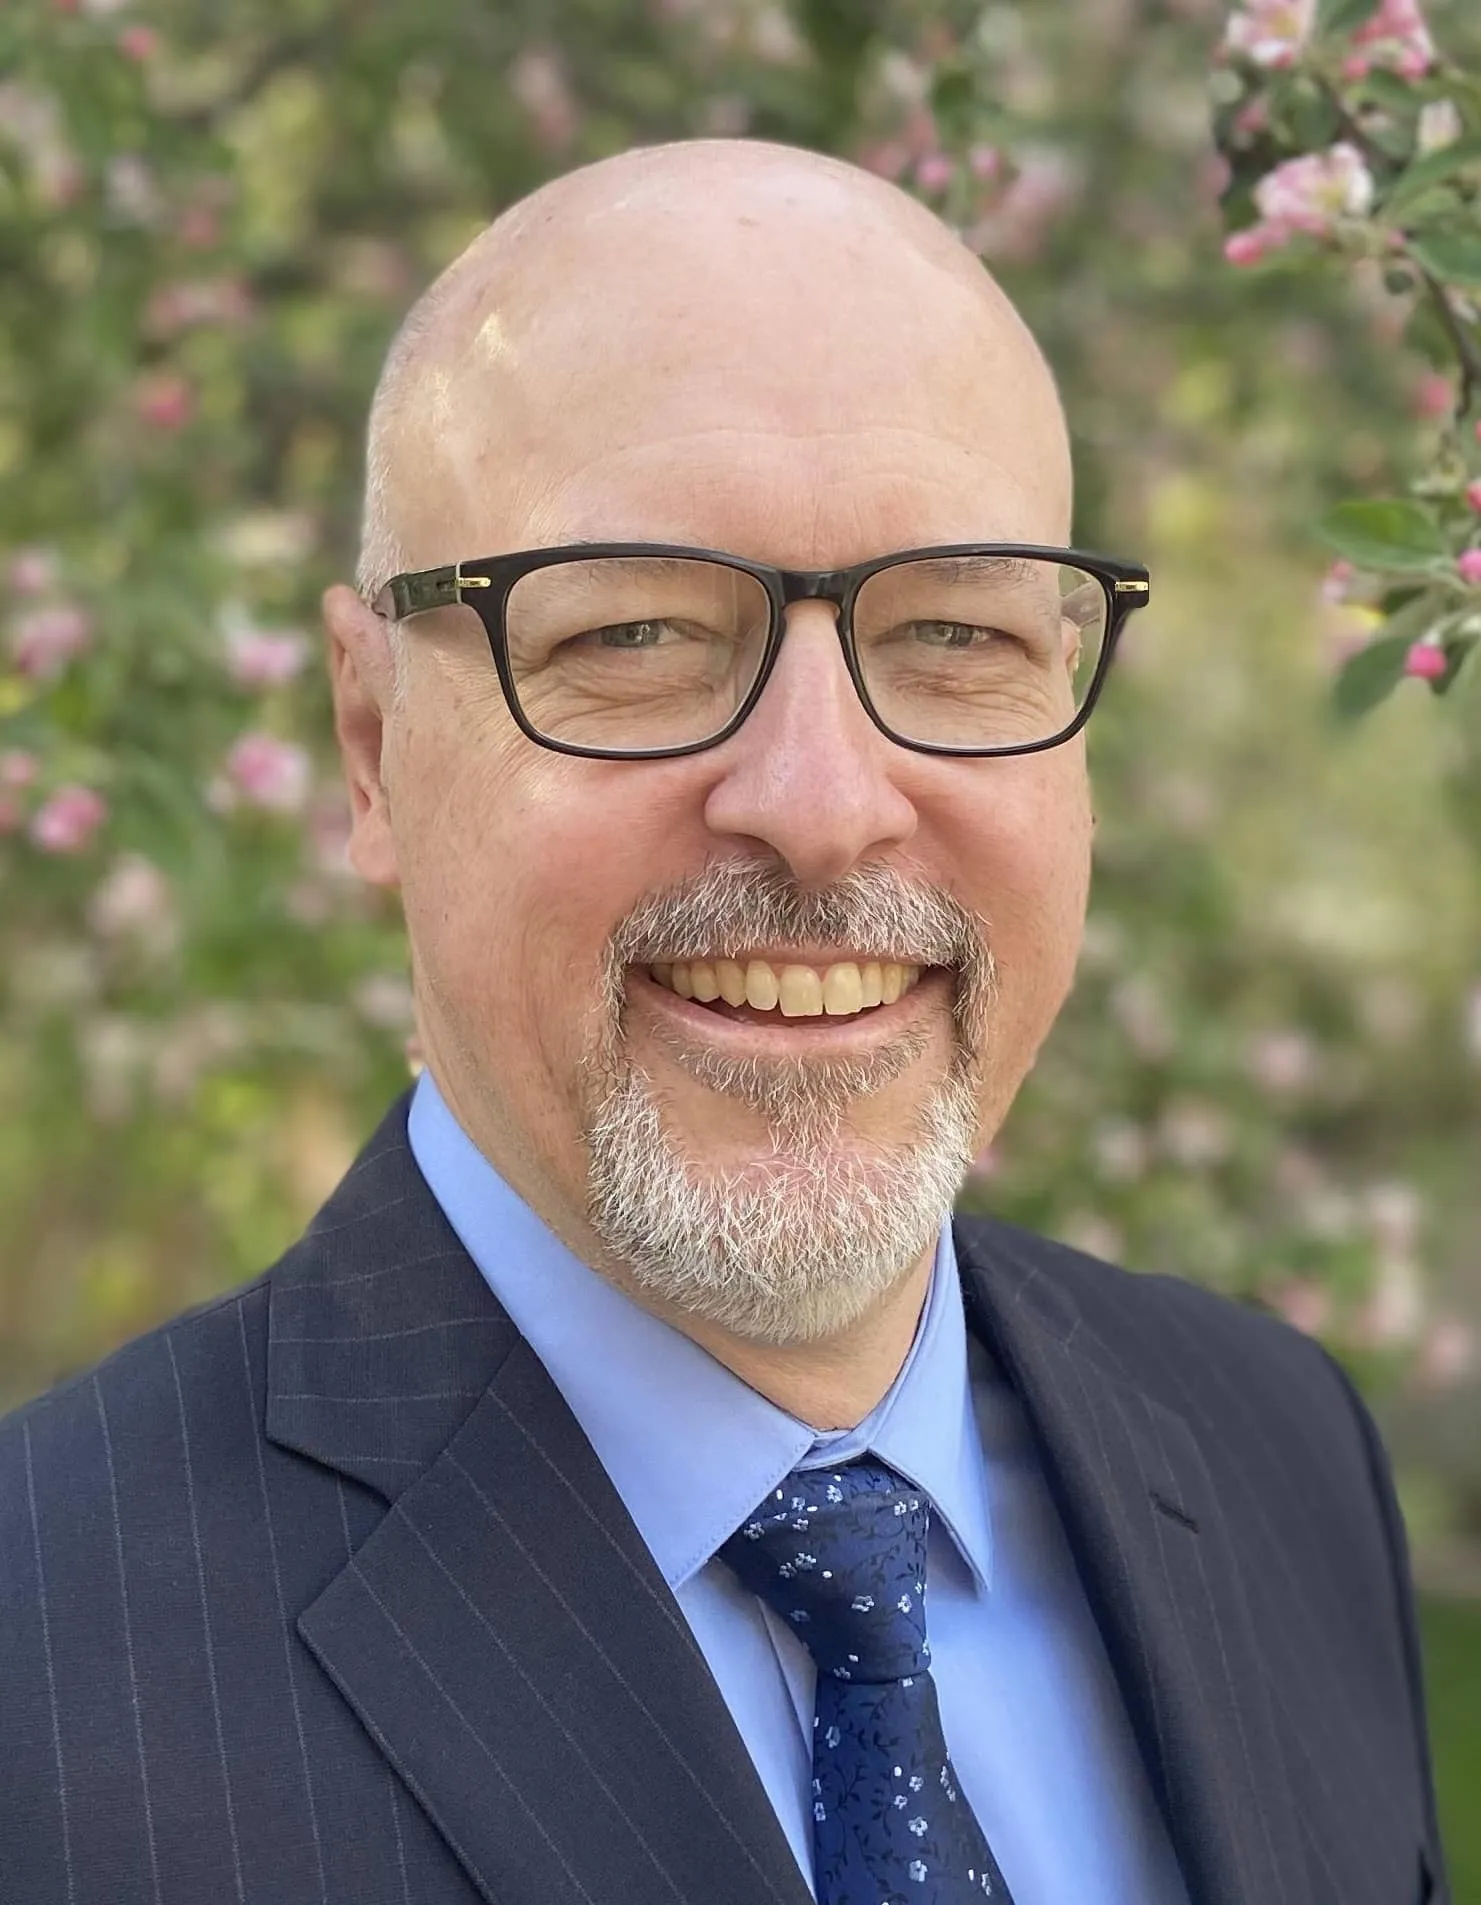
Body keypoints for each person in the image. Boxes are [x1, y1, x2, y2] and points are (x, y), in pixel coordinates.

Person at [0, 139, 1448, 1905]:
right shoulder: (47, 1661)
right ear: (372, 744)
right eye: (638, 635)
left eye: (956, 637)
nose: (826, 802)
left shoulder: (1271, 1449)